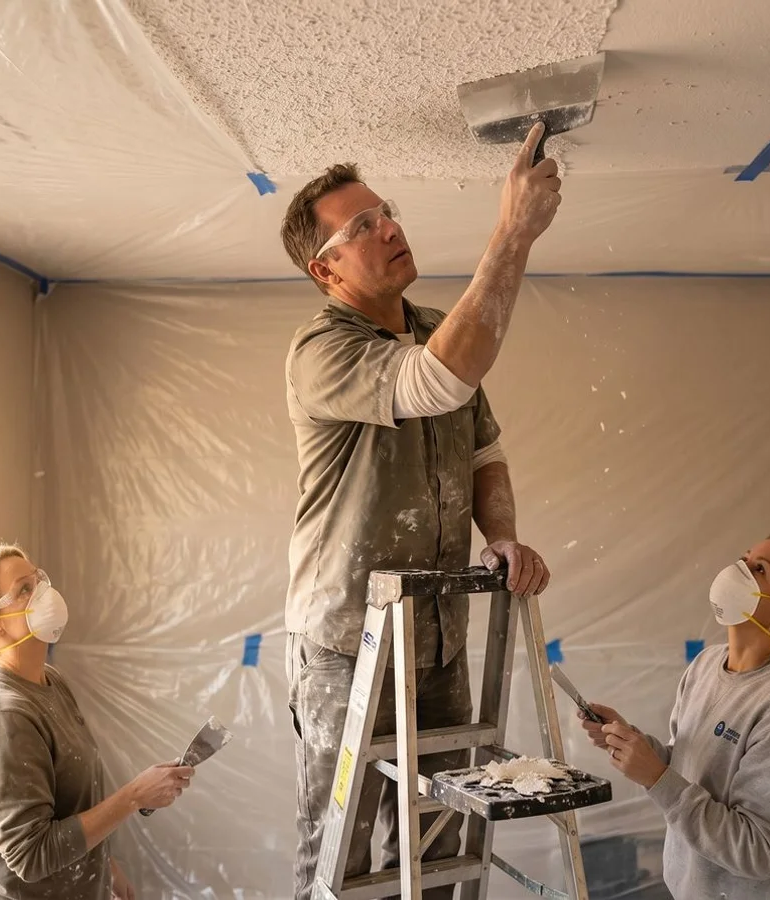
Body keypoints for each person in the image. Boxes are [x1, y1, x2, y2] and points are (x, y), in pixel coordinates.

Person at [278, 121, 562, 899]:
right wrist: (512, 233)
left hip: (434, 638)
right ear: (325, 268)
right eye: (360, 227)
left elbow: (483, 450)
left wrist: (501, 536)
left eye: (385, 213)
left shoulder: (439, 328)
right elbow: (435, 383)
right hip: (346, 646)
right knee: (339, 856)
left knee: (435, 842)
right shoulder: (321, 350)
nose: (387, 228)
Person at [582, 531, 770, 900]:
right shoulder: (707, 664)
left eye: (759, 569)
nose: (738, 570)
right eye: (744, 558)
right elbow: (690, 768)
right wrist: (634, 744)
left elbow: (758, 850)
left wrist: (656, 777)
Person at [0, 544, 195, 900]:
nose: (43, 593)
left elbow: (68, 804)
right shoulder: (5, 716)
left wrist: (103, 865)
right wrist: (134, 796)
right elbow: (31, 855)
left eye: (38, 579)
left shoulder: (49, 681)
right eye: (24, 590)